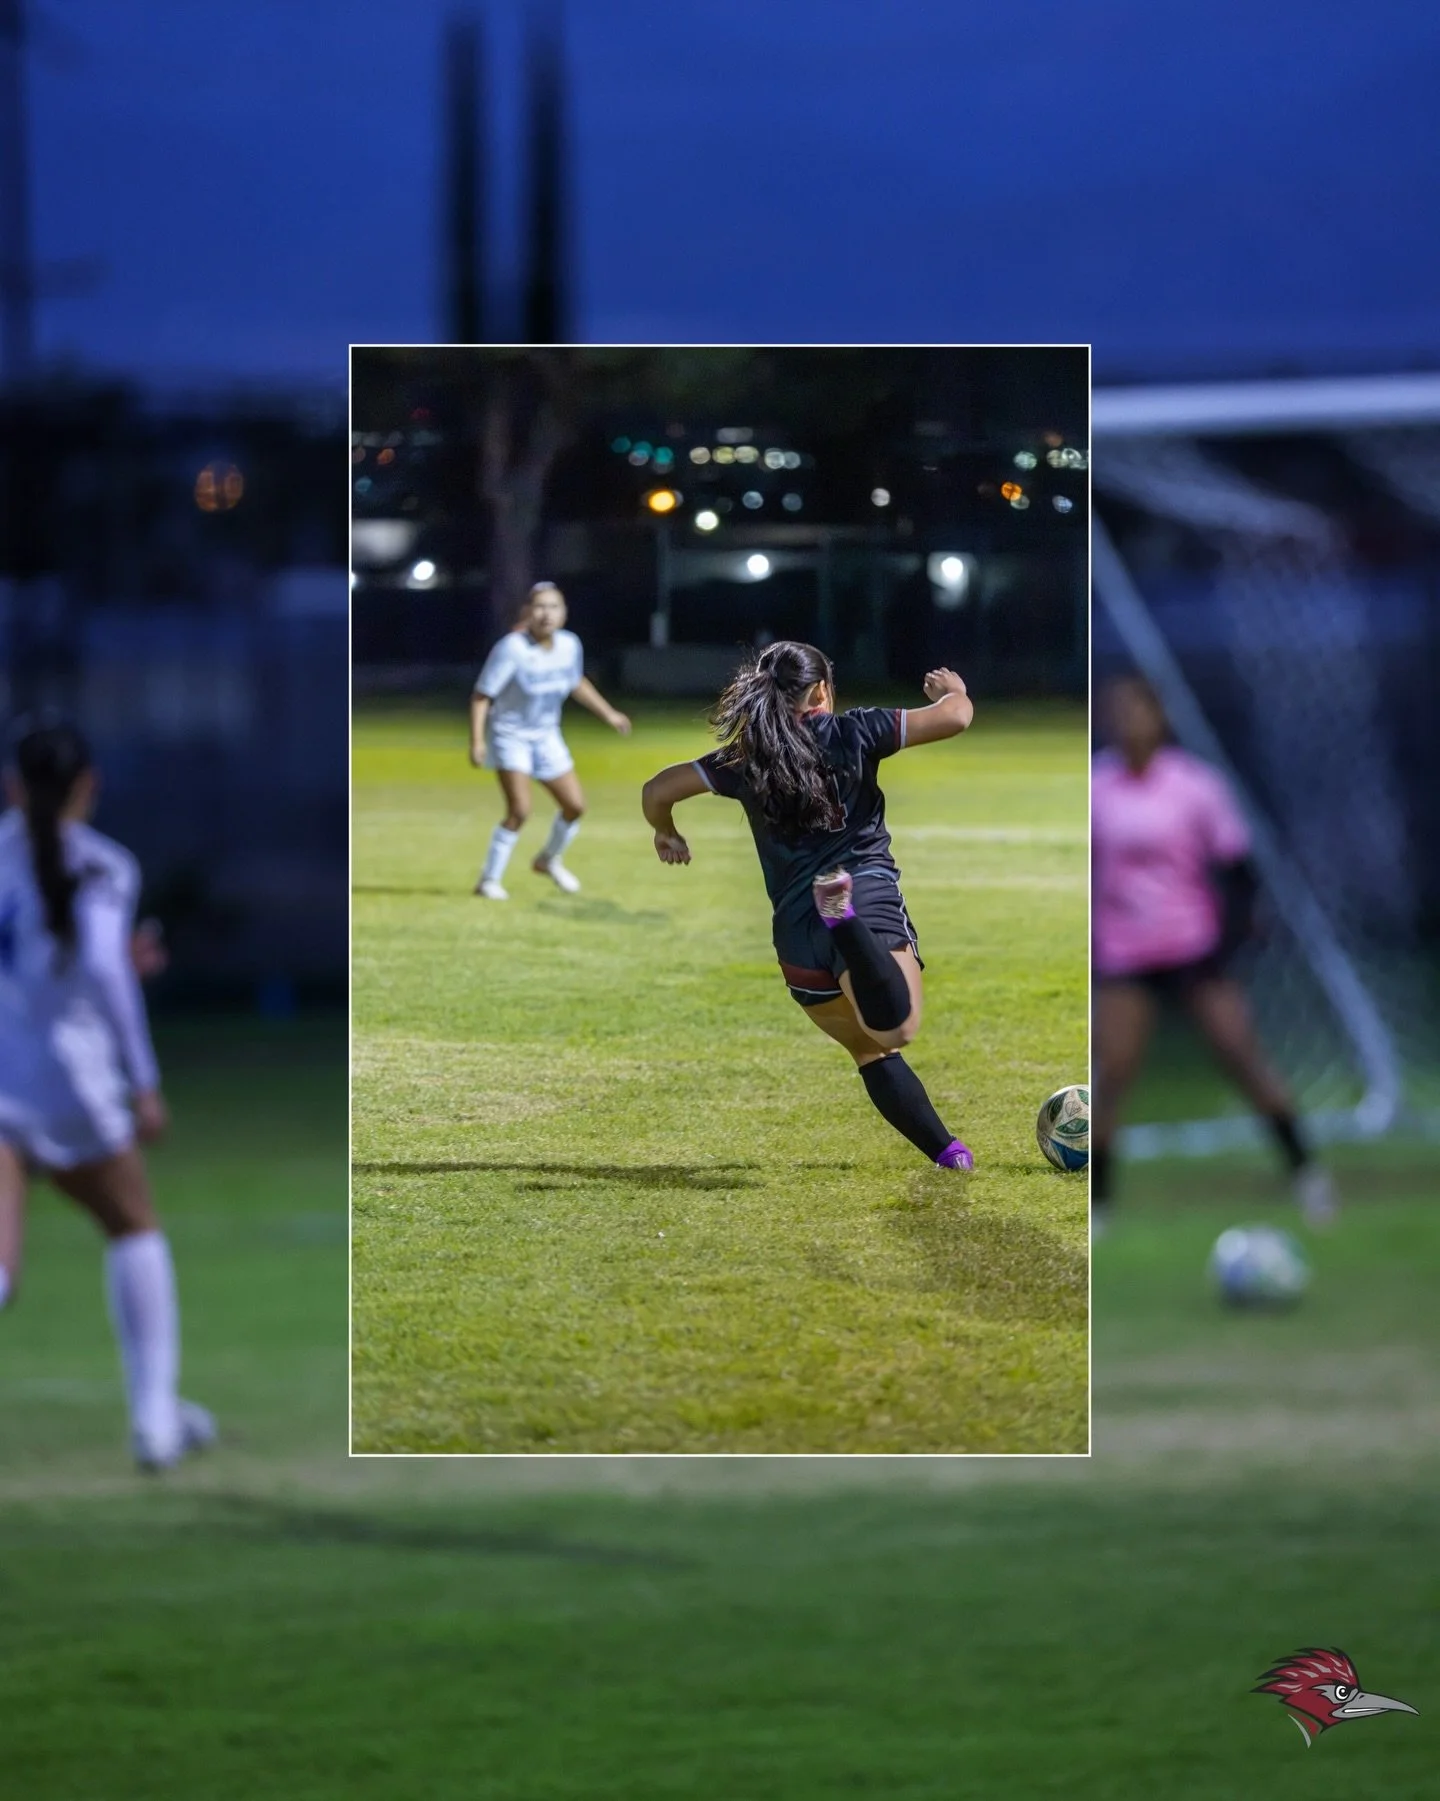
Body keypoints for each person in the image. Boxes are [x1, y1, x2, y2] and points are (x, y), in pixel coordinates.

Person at [641, 640, 976, 1169]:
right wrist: (952, 691)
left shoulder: (743, 759)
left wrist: (666, 831)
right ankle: (844, 923)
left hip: (795, 938)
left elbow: (658, 788)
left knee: (870, 1050)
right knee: (897, 1028)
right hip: (860, 892)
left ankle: (949, 1153)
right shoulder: (855, 730)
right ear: (821, 691)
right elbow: (955, 717)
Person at [0, 716, 215, 1470]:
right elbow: (99, 972)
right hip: (70, 1081)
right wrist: (144, 1081)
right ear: (88, 786)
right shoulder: (102, 865)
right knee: (133, 1225)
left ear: (14, 787)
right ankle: (155, 1421)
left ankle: (163, 1417)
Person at [1091, 675, 1338, 1230]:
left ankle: (1308, 1175)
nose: (1127, 721)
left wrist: (1230, 940)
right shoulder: (1097, 787)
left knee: (1242, 1058)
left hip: (1193, 949)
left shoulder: (1194, 785)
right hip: (1125, 955)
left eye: (1137, 710)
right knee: (1113, 1074)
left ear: (1159, 718)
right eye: (1117, 711)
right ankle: (1099, 1206)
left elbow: (1238, 867)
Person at [469, 583, 632, 898]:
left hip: (546, 736)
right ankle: (488, 881)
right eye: (539, 606)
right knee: (520, 810)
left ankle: (547, 860)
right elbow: (481, 696)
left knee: (575, 806)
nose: (546, 614)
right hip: (510, 735)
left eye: (554, 606)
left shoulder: (569, 645)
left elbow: (575, 682)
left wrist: (609, 714)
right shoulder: (512, 649)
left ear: (564, 613)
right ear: (527, 612)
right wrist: (477, 741)